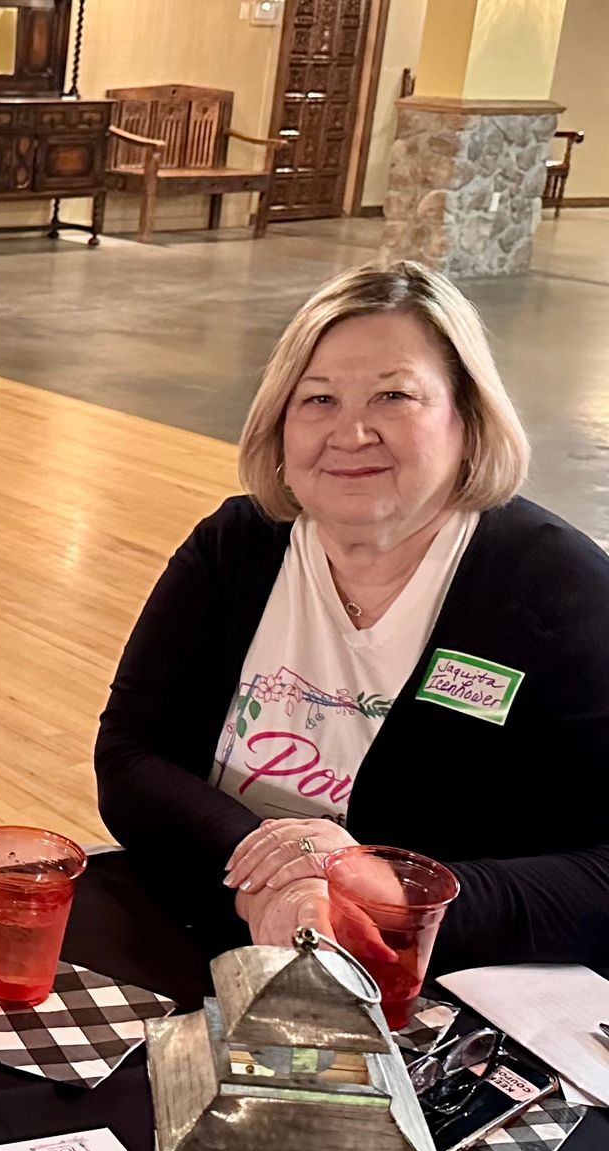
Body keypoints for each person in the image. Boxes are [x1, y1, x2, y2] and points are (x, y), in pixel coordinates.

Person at [95, 261, 609, 968]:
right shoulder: (235, 548)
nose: (352, 432)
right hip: (218, 932)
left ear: (468, 416)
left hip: (439, 989)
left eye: (394, 396)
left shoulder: (560, 590)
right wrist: (264, 877)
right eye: (318, 400)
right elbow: (130, 756)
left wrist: (394, 896)